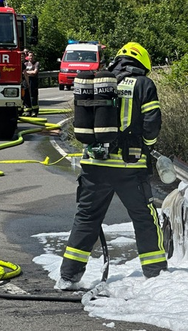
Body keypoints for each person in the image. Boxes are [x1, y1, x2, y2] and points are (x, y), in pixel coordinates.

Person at [56, 41, 167, 290]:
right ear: (142, 63)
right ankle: (156, 275)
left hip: (93, 164)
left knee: (86, 218)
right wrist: (146, 145)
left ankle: (68, 276)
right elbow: (152, 124)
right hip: (130, 166)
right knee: (144, 219)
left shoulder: (98, 81)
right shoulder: (144, 84)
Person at [22, 49, 40, 116]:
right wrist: (28, 73)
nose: (31, 57)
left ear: (34, 56)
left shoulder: (36, 63)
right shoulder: (25, 63)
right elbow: (23, 72)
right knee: (26, 96)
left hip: (33, 81)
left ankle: (35, 111)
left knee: (33, 96)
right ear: (28, 57)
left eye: (32, 56)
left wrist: (27, 72)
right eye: (30, 56)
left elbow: (34, 72)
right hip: (26, 81)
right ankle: (28, 111)